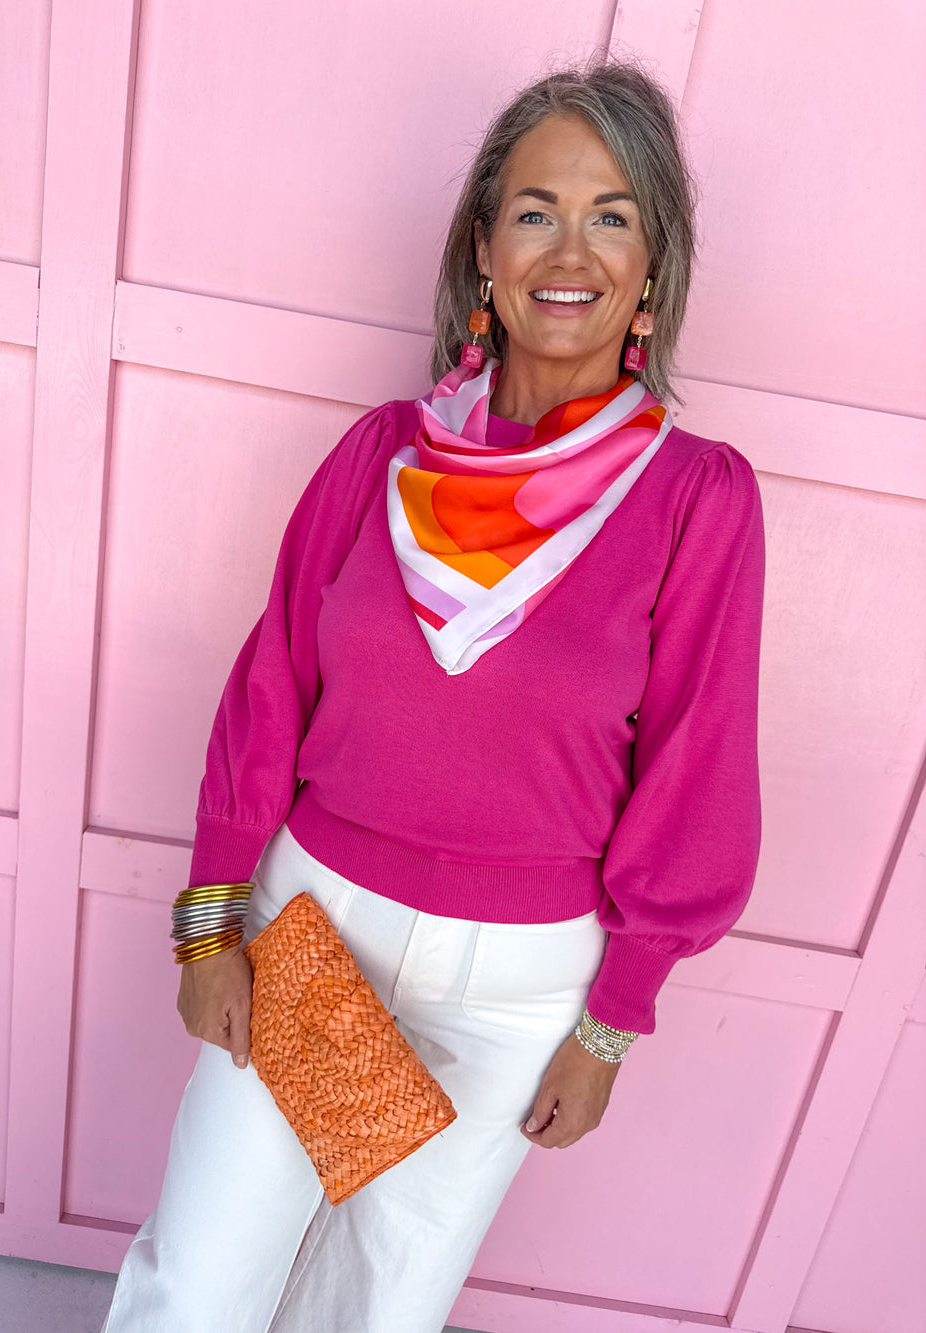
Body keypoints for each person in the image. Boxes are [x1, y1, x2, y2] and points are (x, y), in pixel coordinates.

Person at [102, 58, 764, 1333]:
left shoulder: (696, 500)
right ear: (483, 251)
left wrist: (612, 1024)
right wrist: (209, 921)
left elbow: (698, 764)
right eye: (534, 210)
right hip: (319, 928)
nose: (567, 250)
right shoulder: (384, 458)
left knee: (375, 1305)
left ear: (651, 270)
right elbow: (273, 686)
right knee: (201, 1281)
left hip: (514, 987)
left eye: (612, 216)